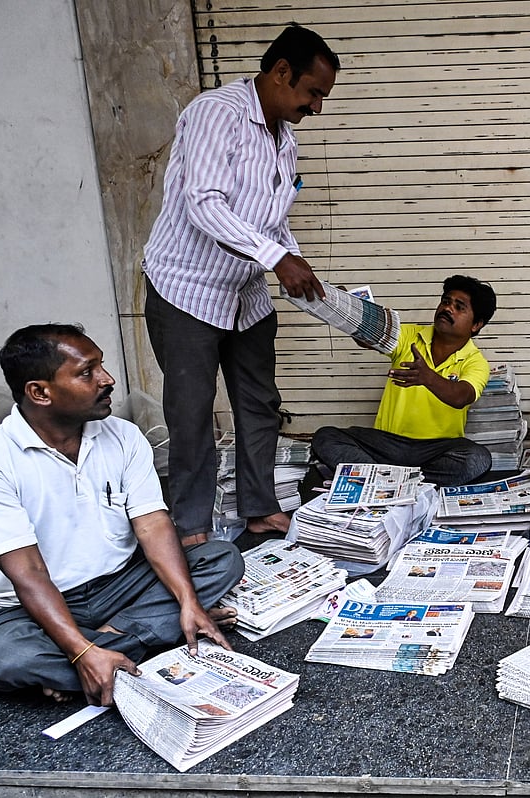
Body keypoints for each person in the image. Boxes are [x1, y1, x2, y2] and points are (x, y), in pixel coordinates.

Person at [0, 325, 244, 706]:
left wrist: (188, 600)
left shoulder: (122, 436)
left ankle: (95, 660)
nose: (107, 380)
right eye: (87, 372)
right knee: (7, 659)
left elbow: (153, 523)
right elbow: (29, 573)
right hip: (29, 606)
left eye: (101, 366)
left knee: (221, 559)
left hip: (119, 587)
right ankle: (111, 651)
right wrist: (78, 649)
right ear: (39, 392)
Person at [143, 24, 339, 540]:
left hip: (246, 295)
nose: (316, 107)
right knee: (190, 413)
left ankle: (259, 507)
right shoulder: (217, 113)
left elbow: (271, 219)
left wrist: (294, 258)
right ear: (280, 72)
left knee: (259, 404)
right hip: (188, 289)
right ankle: (189, 527)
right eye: (312, 92)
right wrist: (278, 259)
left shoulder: (285, 139)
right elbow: (205, 203)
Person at [311, 276, 497, 486]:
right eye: (446, 301)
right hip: (387, 445)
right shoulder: (409, 334)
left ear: (476, 324)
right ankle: (393, 483)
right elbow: (367, 339)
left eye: (459, 306)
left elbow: (462, 396)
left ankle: (385, 481)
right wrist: (346, 307)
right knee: (325, 437)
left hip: (436, 450)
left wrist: (428, 378)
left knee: (477, 459)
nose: (448, 308)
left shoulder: (476, 362)